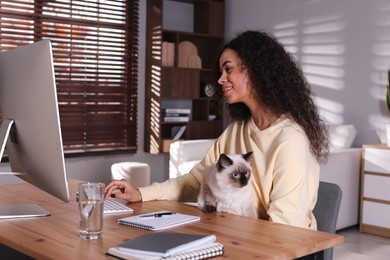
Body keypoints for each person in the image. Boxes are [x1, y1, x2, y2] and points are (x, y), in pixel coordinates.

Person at [105, 30, 329, 230]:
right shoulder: (237, 130)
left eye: (228, 69)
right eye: (221, 71)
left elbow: (285, 228)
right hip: (240, 237)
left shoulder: (291, 139)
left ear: (256, 71)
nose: (221, 79)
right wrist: (141, 193)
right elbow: (196, 180)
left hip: (282, 248)